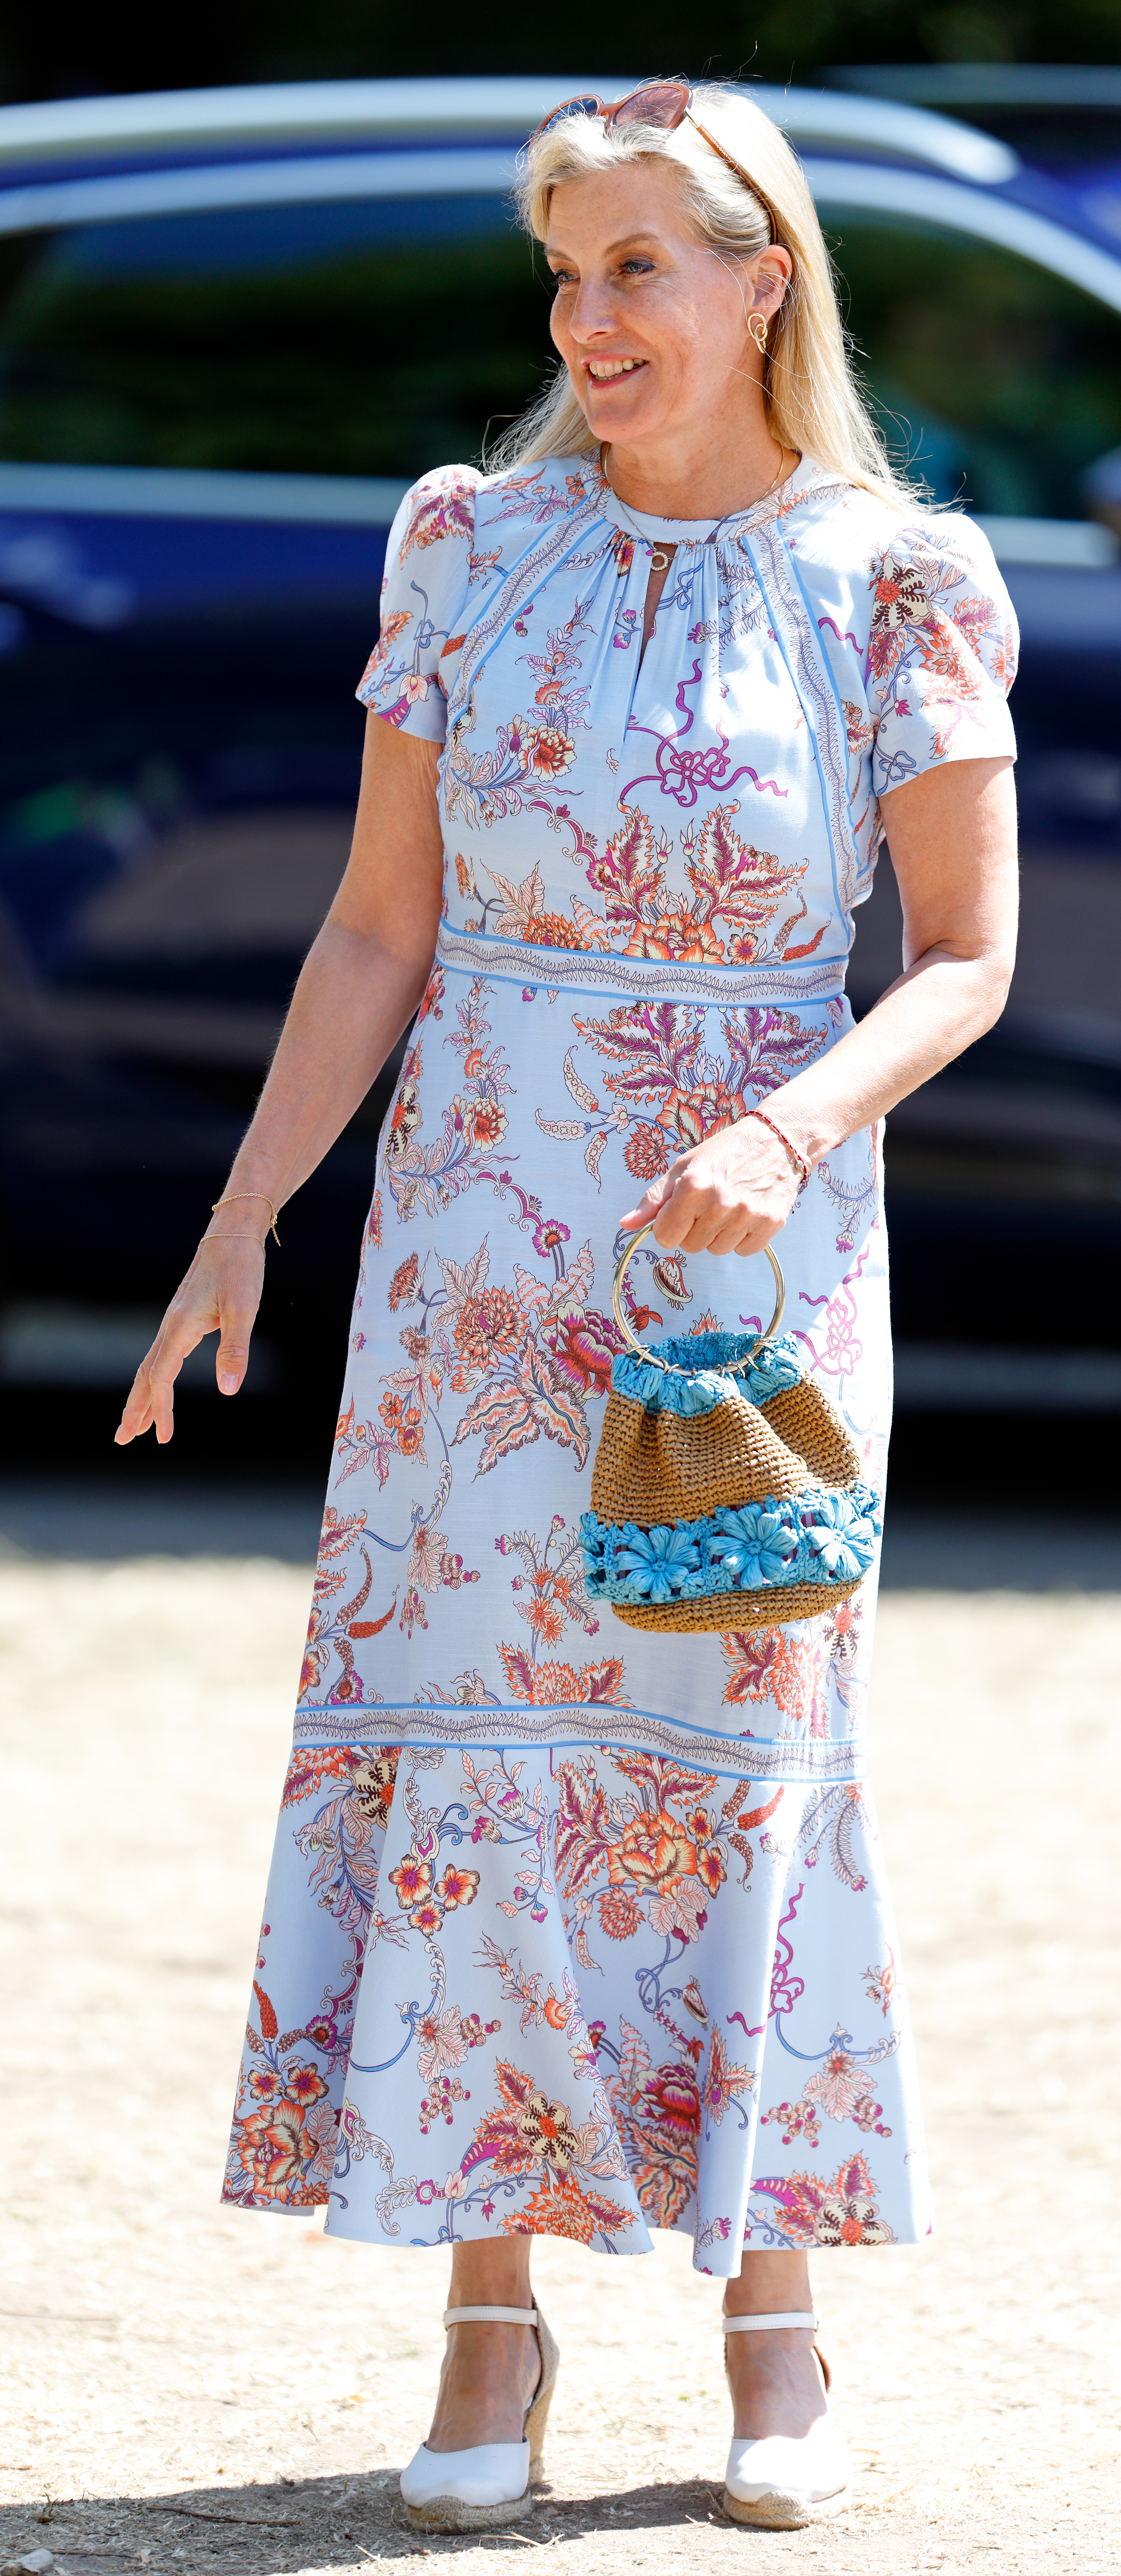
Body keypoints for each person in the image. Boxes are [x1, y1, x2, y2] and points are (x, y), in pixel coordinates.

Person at [117, 79, 1018, 2533]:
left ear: (763, 290)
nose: (587, 321)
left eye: (640, 270)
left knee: (744, 1744)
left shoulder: (896, 580)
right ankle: (489, 2327)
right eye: (566, 273)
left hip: (746, 1259)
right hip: (468, 1248)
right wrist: (246, 1215)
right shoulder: (468, 548)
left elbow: (965, 960)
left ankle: (776, 2319)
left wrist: (791, 1121)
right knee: (489, 1753)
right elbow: (380, 926)